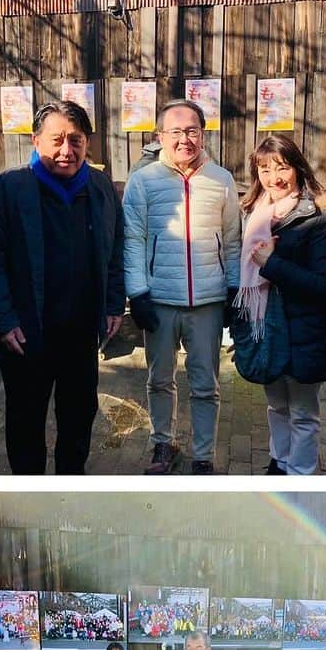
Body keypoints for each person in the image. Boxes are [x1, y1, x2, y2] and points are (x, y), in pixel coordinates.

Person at [0, 100, 125, 475]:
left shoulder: (100, 187)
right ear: (35, 140)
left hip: (80, 332)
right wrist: (2, 319)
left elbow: (114, 250)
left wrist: (112, 304)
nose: (66, 151)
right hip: (25, 334)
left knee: (79, 415)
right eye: (56, 139)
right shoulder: (8, 190)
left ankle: (71, 480)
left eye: (76, 140)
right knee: (26, 421)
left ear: (87, 142)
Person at [124, 99, 240, 475]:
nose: (184, 139)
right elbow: (133, 238)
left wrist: (234, 287)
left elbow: (234, 239)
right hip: (158, 300)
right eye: (175, 132)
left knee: (205, 383)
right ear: (160, 137)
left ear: (202, 134)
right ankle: (163, 444)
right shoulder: (142, 181)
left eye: (192, 130)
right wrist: (137, 292)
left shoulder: (221, 180)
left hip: (207, 299)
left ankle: (203, 453)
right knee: (159, 379)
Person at [235, 134, 326, 475]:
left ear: (297, 168)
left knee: (303, 413)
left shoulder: (317, 221)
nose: (274, 178)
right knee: (276, 406)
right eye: (264, 169)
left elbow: (325, 285)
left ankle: (301, 473)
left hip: (303, 332)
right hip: (265, 327)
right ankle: (279, 463)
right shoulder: (253, 215)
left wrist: (271, 264)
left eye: (282, 167)